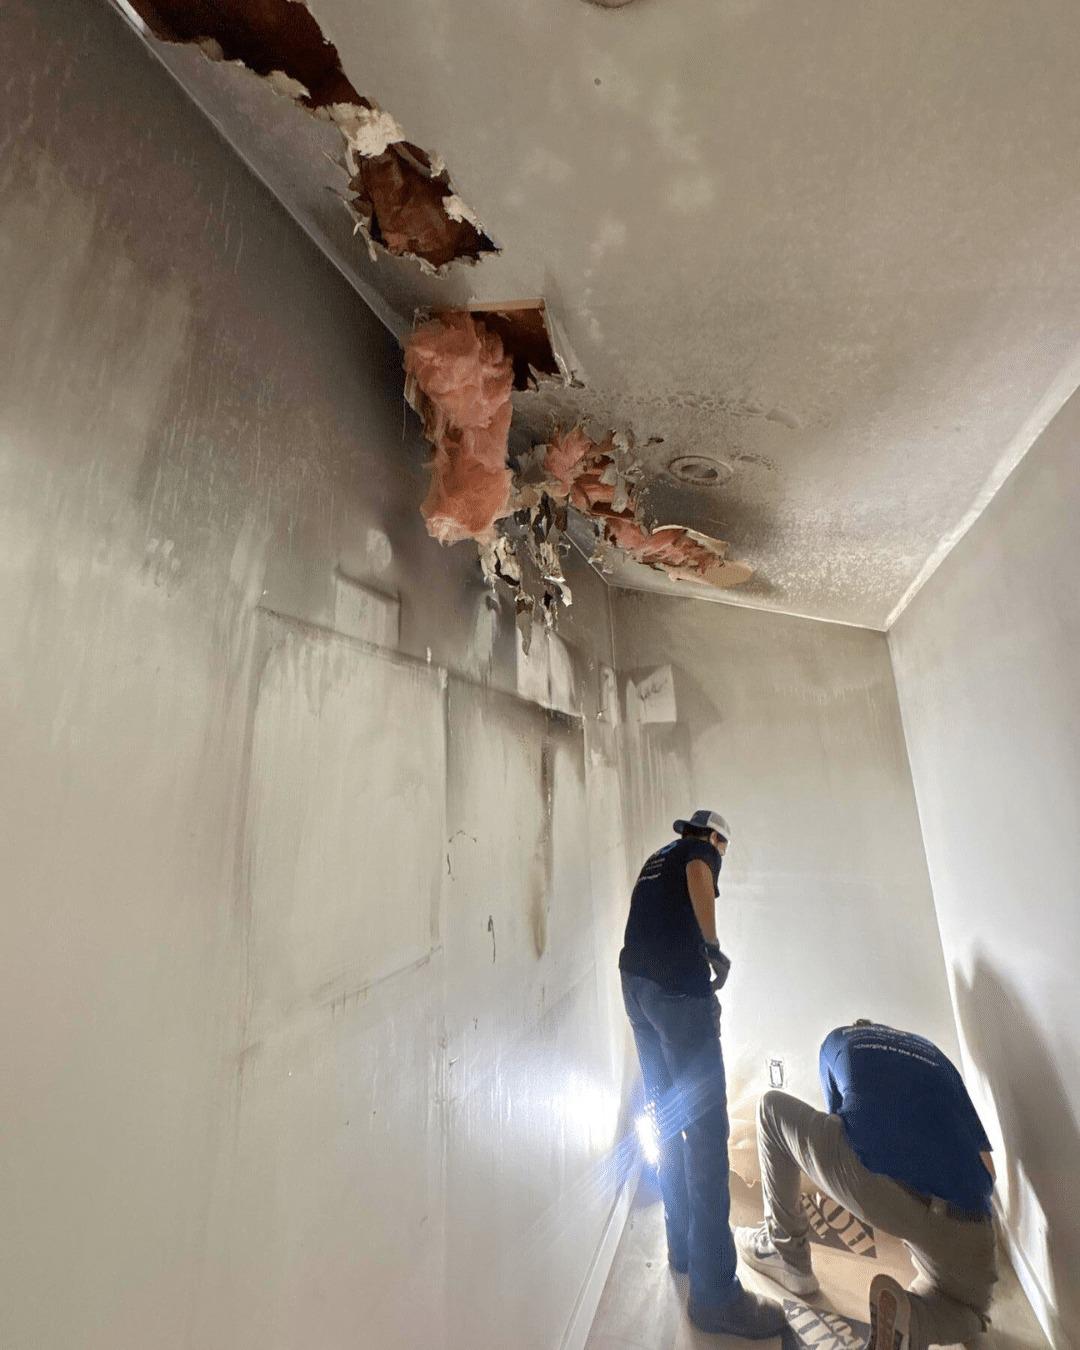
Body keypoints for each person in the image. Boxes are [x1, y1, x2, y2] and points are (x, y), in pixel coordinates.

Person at [620, 809, 785, 1338]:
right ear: (715, 839)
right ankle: (715, 1296)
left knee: (667, 1119)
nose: (718, 859)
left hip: (637, 989)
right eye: (721, 850)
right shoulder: (699, 853)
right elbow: (698, 872)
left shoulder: (656, 859)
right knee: (709, 1137)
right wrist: (712, 950)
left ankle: (683, 1249)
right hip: (676, 996)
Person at [736, 1020, 998, 1349]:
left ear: (860, 1025)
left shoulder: (838, 1042)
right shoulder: (937, 1058)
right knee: (970, 1310)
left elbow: (840, 1127)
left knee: (770, 1109)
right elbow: (988, 1166)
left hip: (879, 1187)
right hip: (966, 1210)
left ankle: (786, 1254)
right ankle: (912, 1320)